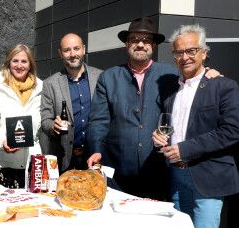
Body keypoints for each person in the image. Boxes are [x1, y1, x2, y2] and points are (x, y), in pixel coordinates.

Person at [86, 17, 219, 200]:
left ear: (154, 46)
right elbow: (98, 121)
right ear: (126, 44)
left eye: (146, 40)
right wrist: (96, 148)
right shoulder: (109, 77)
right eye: (134, 39)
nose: (140, 44)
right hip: (118, 171)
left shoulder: (171, 75)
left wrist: (209, 74)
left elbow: (195, 83)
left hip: (159, 171)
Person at [152, 24, 239, 228]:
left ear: (204, 52)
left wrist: (184, 148)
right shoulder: (171, 90)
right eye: (179, 52)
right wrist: (159, 136)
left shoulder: (224, 86)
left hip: (208, 177)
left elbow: (231, 131)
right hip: (176, 174)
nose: (185, 57)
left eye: (191, 51)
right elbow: (171, 127)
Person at [0, 44, 43, 188]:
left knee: (26, 208)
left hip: (29, 162)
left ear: (30, 64)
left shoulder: (41, 88)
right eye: (15, 61)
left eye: (24, 61)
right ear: (9, 63)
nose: (19, 65)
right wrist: (1, 141)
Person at [40, 33, 102, 172]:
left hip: (95, 157)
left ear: (84, 49)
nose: (72, 54)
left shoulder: (100, 77)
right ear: (60, 54)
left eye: (76, 48)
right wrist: (52, 125)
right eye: (67, 50)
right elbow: (45, 119)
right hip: (65, 158)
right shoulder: (50, 84)